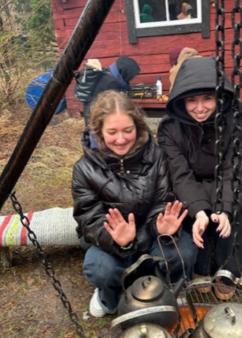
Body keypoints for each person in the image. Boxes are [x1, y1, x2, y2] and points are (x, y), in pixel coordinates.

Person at [72, 91, 198, 317]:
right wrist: (114, 238)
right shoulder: (84, 168)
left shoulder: (157, 156)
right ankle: (108, 297)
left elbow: (163, 199)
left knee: (184, 251)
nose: (121, 139)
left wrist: (159, 226)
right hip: (113, 239)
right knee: (101, 269)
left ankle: (171, 289)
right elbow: (88, 217)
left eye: (128, 131)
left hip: (151, 233)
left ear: (138, 127)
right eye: (112, 132)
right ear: (99, 131)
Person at [157, 57, 242, 299]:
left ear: (219, 98)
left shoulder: (234, 122)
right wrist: (200, 211)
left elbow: (234, 168)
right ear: (182, 101)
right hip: (187, 185)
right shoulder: (169, 128)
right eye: (192, 100)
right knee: (186, 212)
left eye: (207, 98)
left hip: (223, 182)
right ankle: (201, 268)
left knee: (239, 207)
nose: (200, 107)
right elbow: (179, 173)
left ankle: (228, 269)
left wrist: (224, 209)